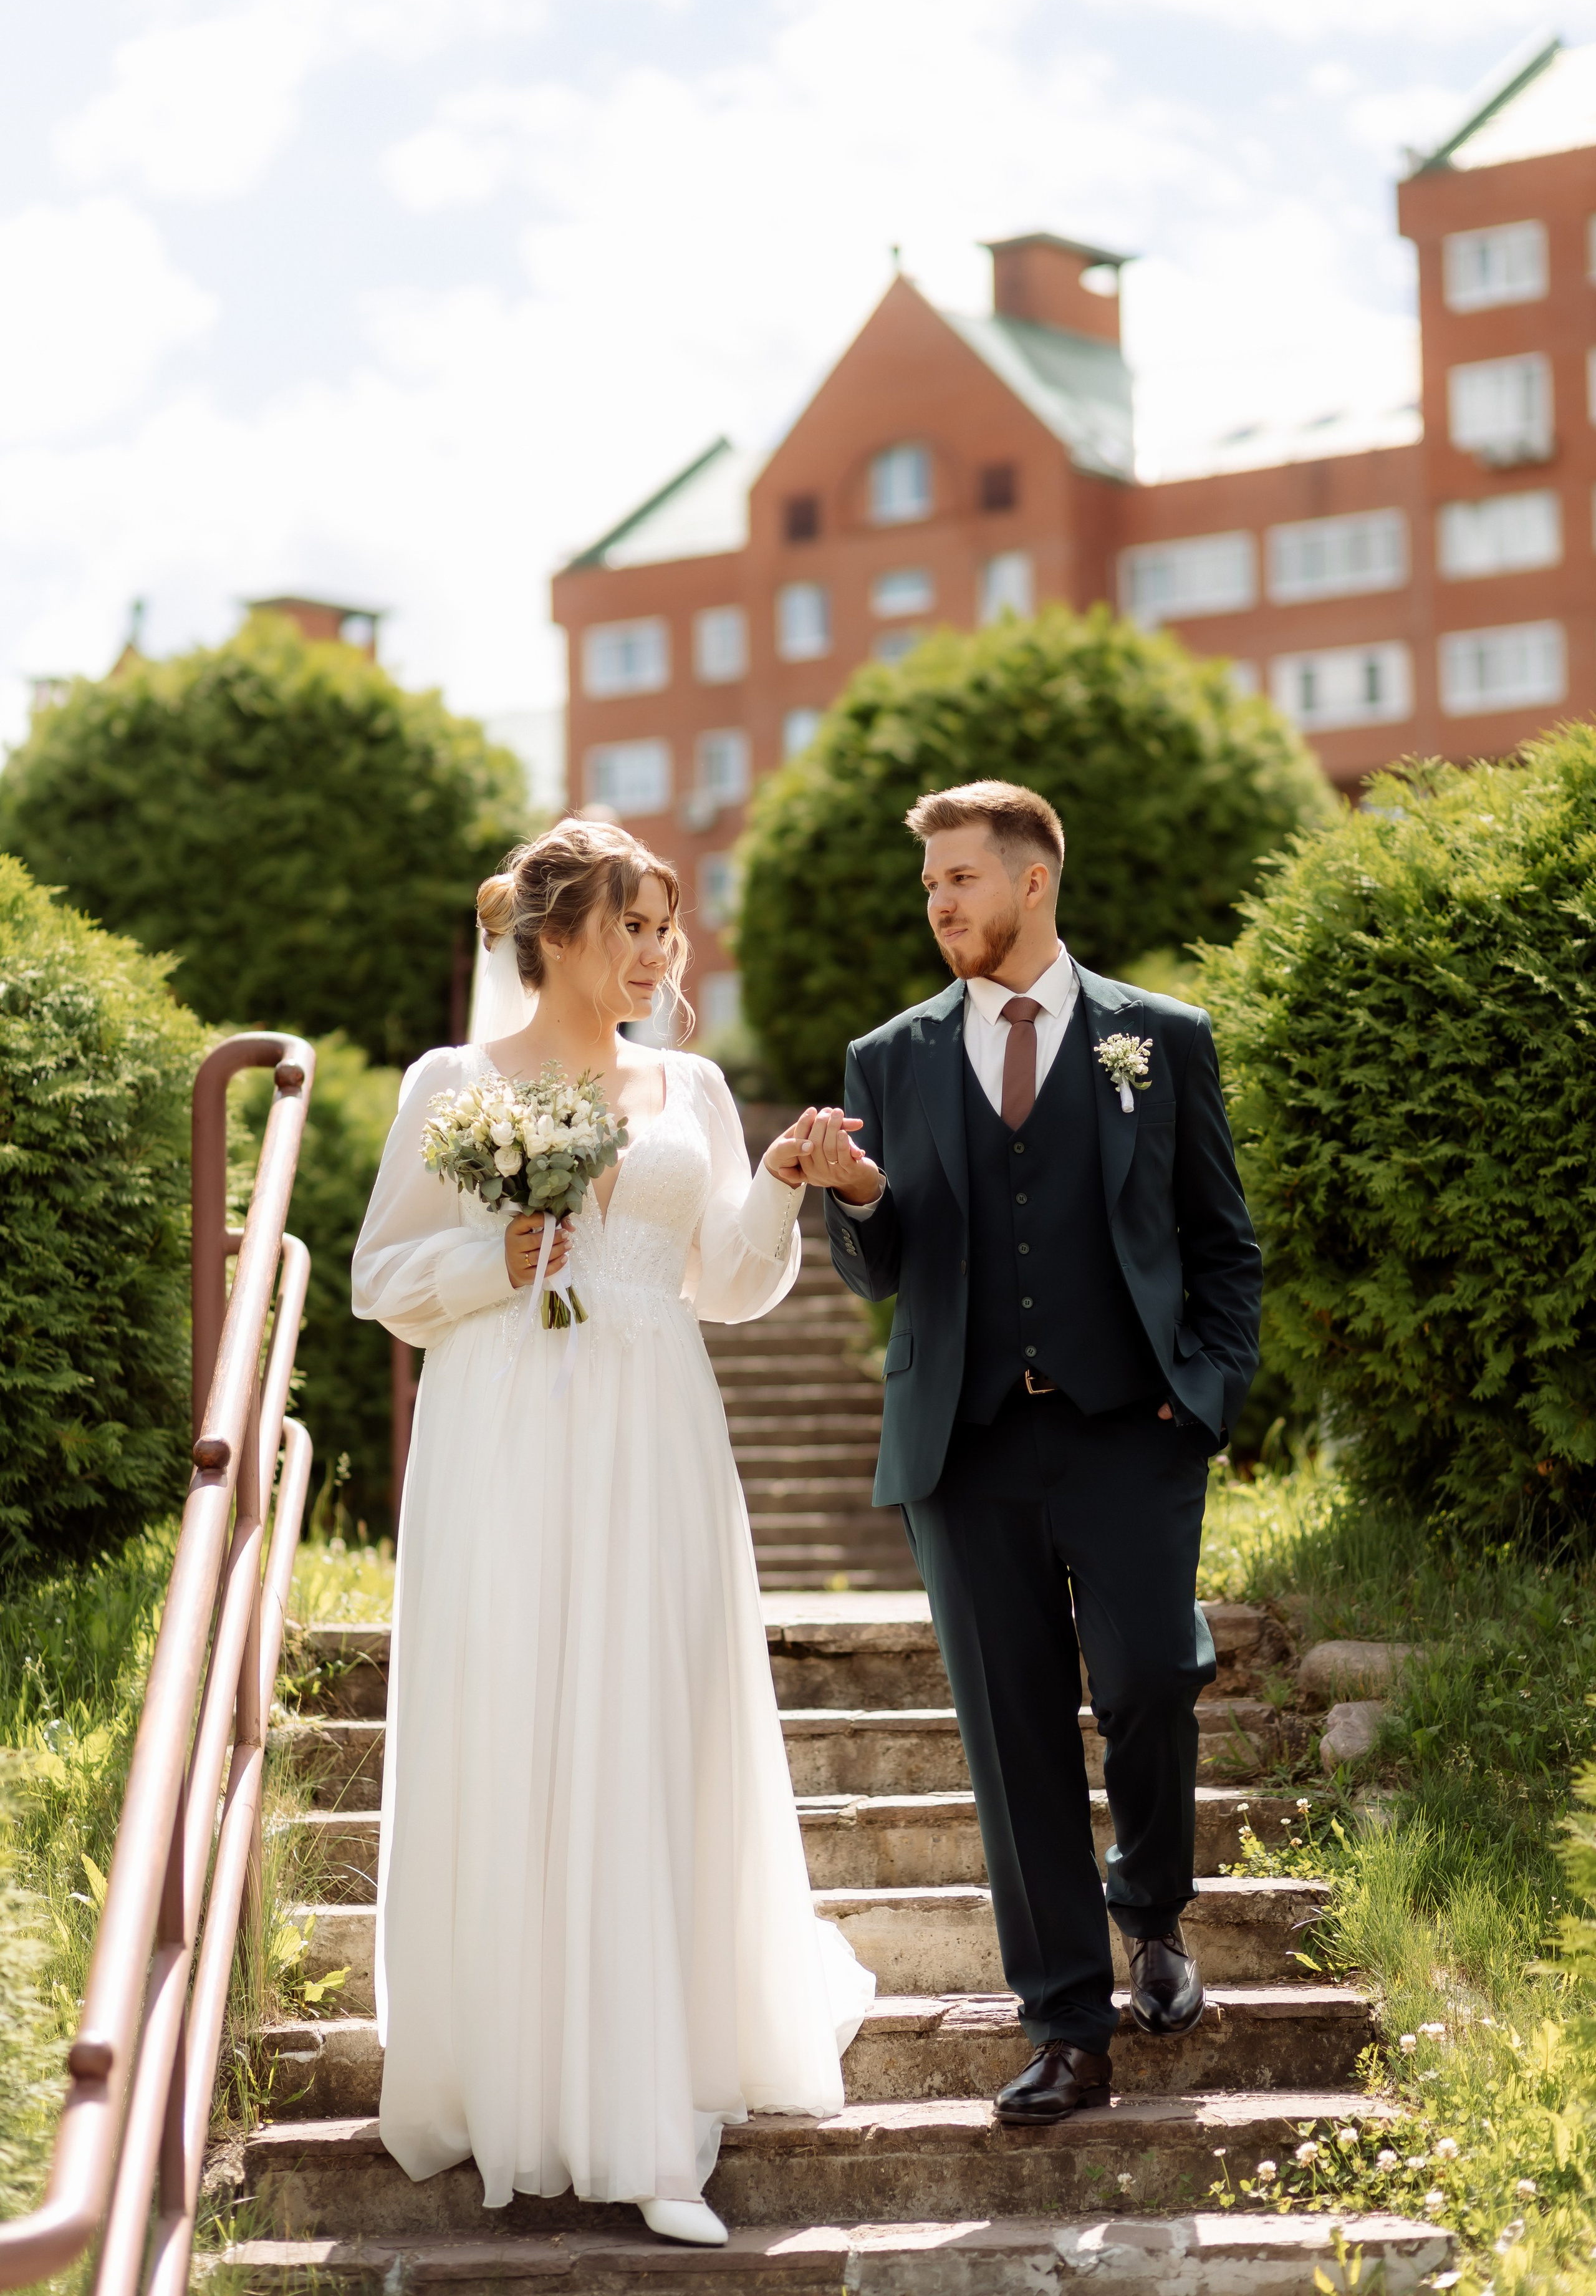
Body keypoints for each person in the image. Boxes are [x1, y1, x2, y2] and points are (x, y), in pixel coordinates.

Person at [352, 818, 872, 2246]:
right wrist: (487, 1257)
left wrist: (773, 1186)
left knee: (653, 1720)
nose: (660, 953)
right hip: (503, 1427)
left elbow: (726, 1285)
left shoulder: (690, 1084)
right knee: (521, 1715)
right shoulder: (454, 1083)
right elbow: (378, 1275)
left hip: (654, 1425)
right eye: (635, 926)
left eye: (669, 930)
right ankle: (526, 2077)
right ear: (560, 934)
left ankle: (650, 2109)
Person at [795, 779, 1261, 2123]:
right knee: (1011, 1741)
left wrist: (1202, 1396)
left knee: (1150, 1683)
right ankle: (1066, 2024)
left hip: (1129, 1434)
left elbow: (1219, 1243)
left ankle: (1150, 1910)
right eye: (928, 882)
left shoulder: (1156, 1040)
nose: (937, 902)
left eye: (957, 879)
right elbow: (876, 1269)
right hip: (966, 1447)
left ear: (1030, 880)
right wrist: (862, 1197)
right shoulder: (884, 1058)